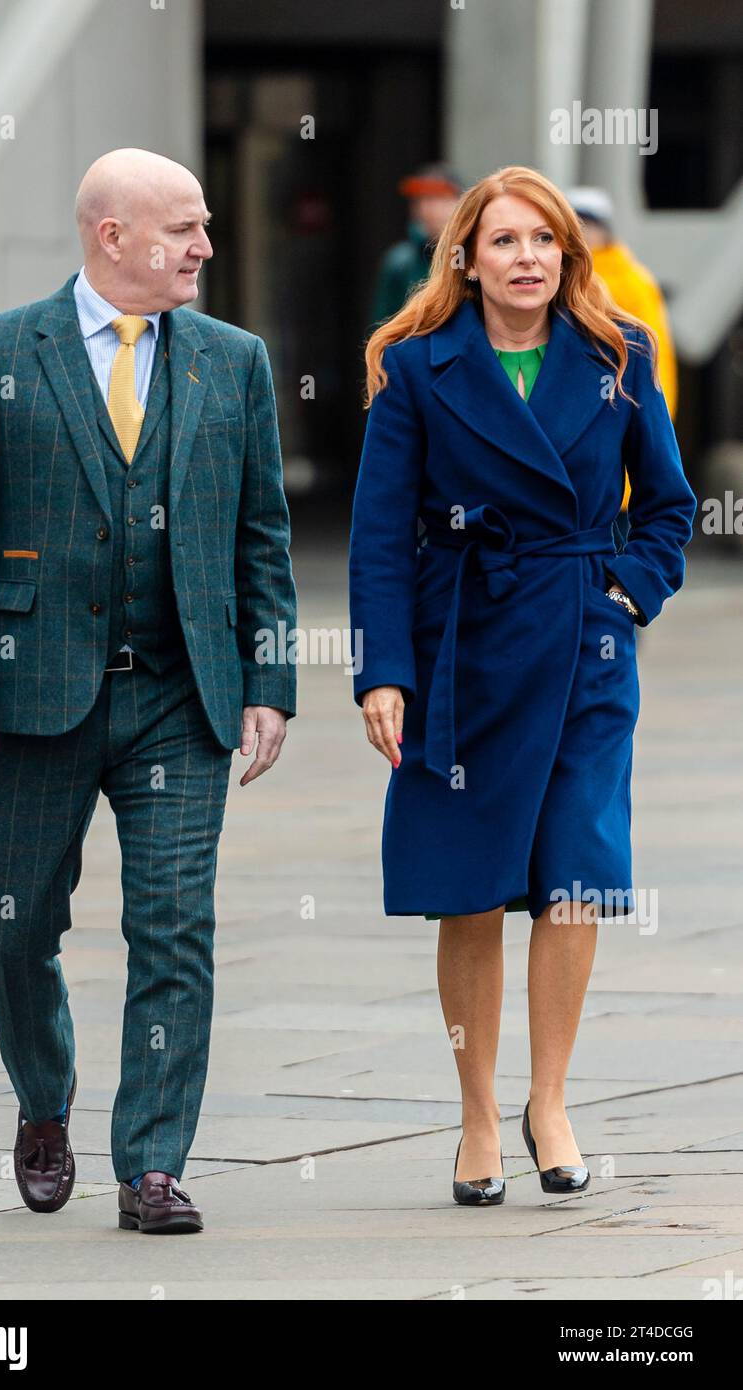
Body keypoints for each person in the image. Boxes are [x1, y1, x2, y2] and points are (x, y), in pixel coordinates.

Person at [0, 148, 297, 1234]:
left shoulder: (236, 361)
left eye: (207, 226)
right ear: (110, 235)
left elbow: (263, 537)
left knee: (175, 928)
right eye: (185, 229)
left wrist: (269, 677)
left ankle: (153, 1164)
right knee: (11, 924)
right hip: (32, 698)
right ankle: (44, 1101)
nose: (205, 249)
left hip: (181, 694)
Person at [349, 165, 696, 1207]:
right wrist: (385, 673)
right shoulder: (415, 368)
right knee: (471, 886)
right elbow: (376, 537)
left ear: (567, 254)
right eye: (505, 241)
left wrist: (625, 597)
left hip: (587, 647)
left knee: (578, 874)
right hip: (465, 648)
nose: (528, 258)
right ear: (466, 256)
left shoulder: (618, 353)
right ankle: (478, 1115)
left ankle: (550, 1100)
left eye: (543, 241)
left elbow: (670, 508)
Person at [567, 186, 679, 547]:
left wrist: (652, 428)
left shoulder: (633, 281)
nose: (581, 232)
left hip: (616, 424)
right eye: (574, 223)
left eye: (587, 223)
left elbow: (652, 366)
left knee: (614, 545)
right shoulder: (561, 278)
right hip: (576, 435)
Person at [370, 163, 462, 325]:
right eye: (422, 199)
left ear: (458, 203)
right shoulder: (399, 262)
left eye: (439, 198)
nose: (429, 208)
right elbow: (383, 324)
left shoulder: (469, 254)